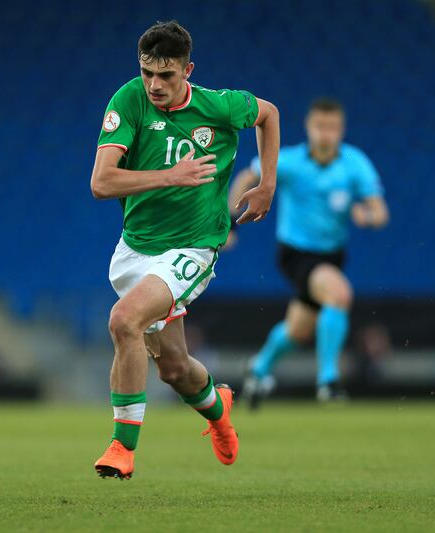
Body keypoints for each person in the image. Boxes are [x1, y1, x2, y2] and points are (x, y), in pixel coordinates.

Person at [90, 20, 279, 479]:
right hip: (135, 250)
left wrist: (267, 184)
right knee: (174, 369)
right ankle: (219, 411)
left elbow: (268, 114)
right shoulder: (128, 99)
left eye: (166, 75)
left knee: (123, 321)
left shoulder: (219, 107)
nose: (154, 84)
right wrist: (168, 176)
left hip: (193, 248)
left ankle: (121, 447)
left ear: (187, 71)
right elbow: (101, 182)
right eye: (146, 73)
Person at [228, 98, 388, 406]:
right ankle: (328, 380)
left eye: (332, 127)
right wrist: (232, 223)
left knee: (298, 329)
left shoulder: (354, 163)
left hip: (331, 255)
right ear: (308, 128)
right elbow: (247, 177)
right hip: (296, 254)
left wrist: (366, 216)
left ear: (341, 130)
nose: (326, 134)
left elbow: (380, 213)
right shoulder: (289, 161)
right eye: (320, 126)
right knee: (339, 294)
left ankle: (258, 368)